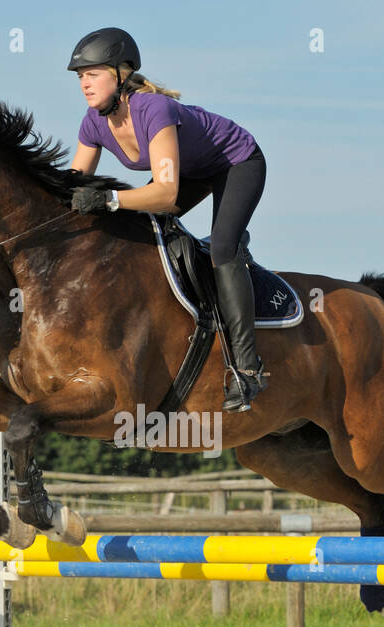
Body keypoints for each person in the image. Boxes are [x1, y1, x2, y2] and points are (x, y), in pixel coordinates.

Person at [66, 27, 269, 412]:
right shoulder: (93, 122)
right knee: (138, 228)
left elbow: (165, 194)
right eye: (80, 77)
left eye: (92, 74)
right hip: (191, 170)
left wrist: (108, 198)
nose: (84, 85)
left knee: (222, 247)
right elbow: (74, 183)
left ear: (121, 74)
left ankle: (248, 369)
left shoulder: (152, 109)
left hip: (237, 162)